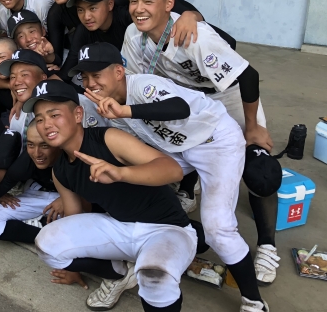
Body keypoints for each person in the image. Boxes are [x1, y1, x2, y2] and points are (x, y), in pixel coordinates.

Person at [73, 42, 273, 311]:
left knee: (218, 228)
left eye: (96, 75)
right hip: (177, 149)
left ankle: (254, 301)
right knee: (130, 183)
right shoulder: (105, 106)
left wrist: (126, 110)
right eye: (85, 77)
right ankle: (141, 260)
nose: (90, 83)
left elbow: (179, 108)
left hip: (215, 141)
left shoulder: (142, 86)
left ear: (119, 72)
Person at [122, 0, 281, 293]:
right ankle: (189, 191)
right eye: (134, 0)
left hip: (228, 96)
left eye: (148, 0)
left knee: (259, 171)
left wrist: (253, 126)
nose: (139, 8)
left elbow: (248, 76)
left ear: (169, 4)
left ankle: (266, 244)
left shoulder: (194, 35)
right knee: (180, 145)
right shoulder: (133, 34)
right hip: (190, 100)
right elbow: (136, 81)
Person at [27, 79, 196, 312]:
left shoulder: (108, 138)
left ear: (78, 114)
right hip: (120, 227)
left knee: (154, 279)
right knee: (47, 244)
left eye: (54, 115)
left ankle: (149, 266)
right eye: (39, 119)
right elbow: (74, 219)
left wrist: (121, 173)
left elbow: (172, 169)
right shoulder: (60, 170)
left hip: (166, 228)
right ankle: (118, 272)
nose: (47, 124)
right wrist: (73, 268)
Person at [57, 0, 202, 83]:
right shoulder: (83, 30)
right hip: (129, 82)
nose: (86, 16)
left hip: (167, 78)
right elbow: (69, 67)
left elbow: (165, 14)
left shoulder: (130, 17)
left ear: (110, 4)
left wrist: (191, 15)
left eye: (93, 8)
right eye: (80, 10)